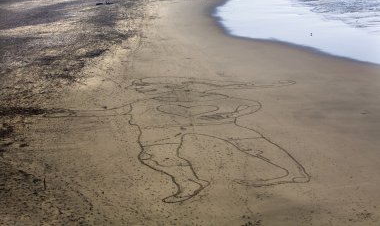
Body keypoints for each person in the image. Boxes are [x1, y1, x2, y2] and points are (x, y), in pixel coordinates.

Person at [50, 77, 310, 203]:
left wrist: (228, 113)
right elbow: (117, 111)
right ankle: (189, 185)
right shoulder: (142, 104)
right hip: (163, 130)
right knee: (156, 156)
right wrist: (70, 112)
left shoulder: (207, 96)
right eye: (143, 88)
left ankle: (295, 172)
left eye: (148, 87)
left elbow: (247, 101)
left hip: (217, 122)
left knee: (255, 144)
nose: (145, 89)